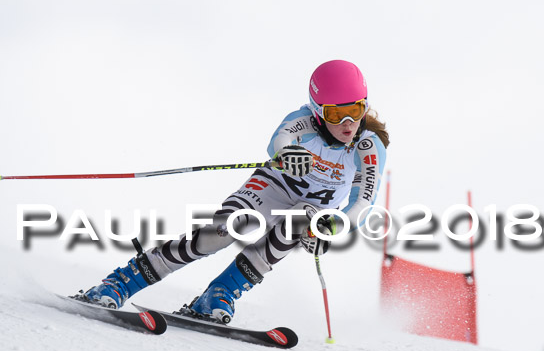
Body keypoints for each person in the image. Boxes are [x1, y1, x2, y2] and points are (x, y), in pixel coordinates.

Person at [75, 59, 389, 323]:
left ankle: (219, 293)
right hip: (272, 189)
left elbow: (363, 202)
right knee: (223, 233)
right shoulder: (302, 122)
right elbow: (278, 140)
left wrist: (332, 226)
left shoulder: (367, 145)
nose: (348, 123)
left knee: (298, 223)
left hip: (310, 210)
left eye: (357, 109)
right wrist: (286, 154)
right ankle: (121, 282)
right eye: (336, 114)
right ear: (318, 111)